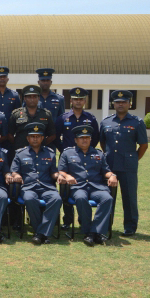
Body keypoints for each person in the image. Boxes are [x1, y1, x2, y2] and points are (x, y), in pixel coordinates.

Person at [58, 125, 118, 246]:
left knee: (107, 199)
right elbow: (61, 170)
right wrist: (67, 176)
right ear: (76, 140)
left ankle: (93, 232)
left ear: (90, 139)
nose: (84, 140)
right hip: (78, 187)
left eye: (87, 138)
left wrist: (112, 175)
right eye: (81, 138)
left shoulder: (98, 153)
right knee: (81, 198)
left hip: (97, 187)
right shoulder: (67, 153)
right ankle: (89, 231)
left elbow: (105, 171)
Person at [99, 90, 148, 237]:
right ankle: (107, 225)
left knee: (129, 197)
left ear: (129, 104)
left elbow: (143, 145)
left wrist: (133, 159)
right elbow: (103, 143)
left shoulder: (137, 122)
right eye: (118, 102)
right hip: (110, 166)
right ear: (113, 104)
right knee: (108, 197)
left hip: (128, 166)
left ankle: (130, 227)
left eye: (124, 102)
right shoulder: (106, 122)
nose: (120, 104)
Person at [10, 122, 63, 245]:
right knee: (29, 199)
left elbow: (53, 172)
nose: (35, 139)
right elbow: (14, 171)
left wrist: (58, 176)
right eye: (32, 136)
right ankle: (44, 233)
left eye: (38, 136)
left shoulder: (50, 153)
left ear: (42, 138)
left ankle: (39, 233)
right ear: (28, 138)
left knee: (56, 199)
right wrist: (16, 176)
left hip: (46, 187)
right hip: (29, 187)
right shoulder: (20, 153)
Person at [55, 87, 99, 230]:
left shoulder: (90, 118)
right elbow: (56, 137)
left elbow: (95, 137)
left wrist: (86, 150)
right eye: (75, 99)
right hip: (67, 158)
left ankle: (83, 219)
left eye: (81, 99)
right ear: (71, 101)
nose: (78, 101)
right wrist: (64, 151)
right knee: (65, 188)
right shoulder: (63, 118)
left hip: (86, 158)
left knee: (84, 186)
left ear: (85, 101)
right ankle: (67, 220)